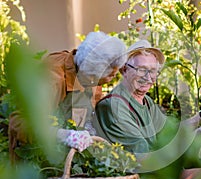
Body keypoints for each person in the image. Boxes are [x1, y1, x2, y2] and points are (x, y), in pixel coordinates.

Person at [8, 31, 127, 161]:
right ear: (91, 74)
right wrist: (62, 135)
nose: (114, 77)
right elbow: (19, 122)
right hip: (38, 161)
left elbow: (92, 109)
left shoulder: (91, 71)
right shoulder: (53, 80)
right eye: (110, 75)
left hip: (69, 159)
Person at [94, 40, 201, 154]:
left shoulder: (145, 101)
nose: (148, 77)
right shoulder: (114, 106)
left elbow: (170, 132)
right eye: (141, 69)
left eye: (153, 71)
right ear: (124, 70)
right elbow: (145, 159)